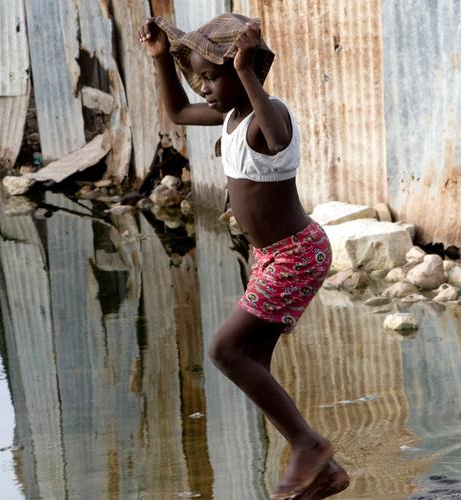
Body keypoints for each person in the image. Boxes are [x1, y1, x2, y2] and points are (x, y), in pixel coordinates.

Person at [139, 13, 349, 500]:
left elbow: (276, 140)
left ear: (244, 70)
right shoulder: (231, 116)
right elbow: (176, 113)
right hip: (272, 257)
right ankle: (326, 471)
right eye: (201, 78)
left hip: (297, 254)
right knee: (251, 358)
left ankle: (309, 446)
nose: (204, 88)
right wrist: (160, 62)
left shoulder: (266, 115)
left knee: (224, 351)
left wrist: (248, 71)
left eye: (212, 77)